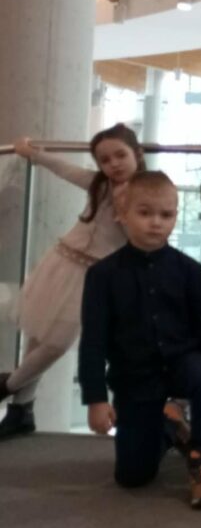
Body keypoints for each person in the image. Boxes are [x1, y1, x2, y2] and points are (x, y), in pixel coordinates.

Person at [78, 171, 201, 509]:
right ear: (123, 212)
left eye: (166, 214)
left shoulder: (190, 271)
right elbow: (93, 341)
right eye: (145, 213)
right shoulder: (101, 275)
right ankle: (170, 427)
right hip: (135, 376)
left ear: (175, 216)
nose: (156, 223)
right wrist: (96, 399)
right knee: (133, 476)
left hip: (184, 364)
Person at [0, 124, 144, 439]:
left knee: (57, 342)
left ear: (137, 153)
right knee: (38, 336)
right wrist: (33, 153)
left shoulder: (145, 192)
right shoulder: (99, 185)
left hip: (95, 276)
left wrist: (128, 210)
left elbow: (142, 238)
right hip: (62, 262)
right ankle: (21, 410)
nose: (114, 164)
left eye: (120, 155)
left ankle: (7, 385)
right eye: (105, 160)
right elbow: (65, 169)